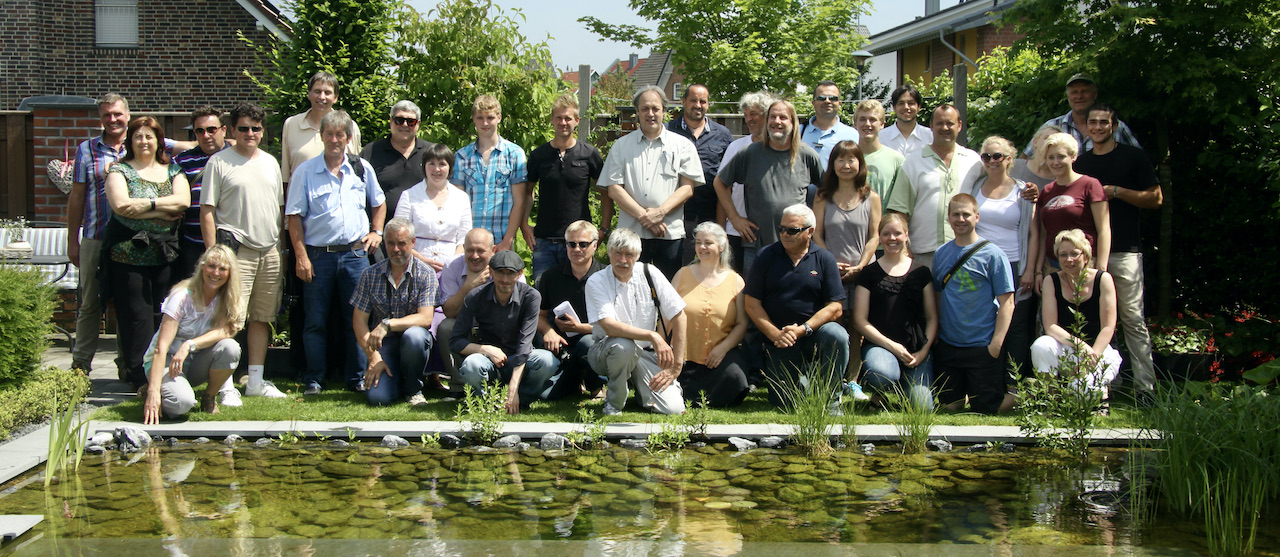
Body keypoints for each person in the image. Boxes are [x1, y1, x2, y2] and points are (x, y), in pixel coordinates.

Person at [68, 93, 189, 374]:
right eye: (107, 114)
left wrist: (226, 139)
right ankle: (80, 364)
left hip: (150, 244)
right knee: (91, 302)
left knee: (131, 305)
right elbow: (77, 197)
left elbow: (190, 146)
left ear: (127, 115)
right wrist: (72, 239)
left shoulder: (144, 137)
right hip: (98, 235)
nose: (113, 119)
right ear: (100, 118)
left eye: (118, 114)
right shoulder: (87, 150)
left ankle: (128, 365)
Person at [286, 109, 386, 395]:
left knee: (356, 319)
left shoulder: (361, 168)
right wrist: (301, 256)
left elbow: (378, 203)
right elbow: (294, 217)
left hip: (355, 256)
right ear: (321, 137)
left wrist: (376, 232)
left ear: (348, 138)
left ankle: (355, 378)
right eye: (328, 134)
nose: (334, 140)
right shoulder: (305, 172)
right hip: (319, 256)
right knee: (315, 321)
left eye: (339, 135)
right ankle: (314, 380)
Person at [1073, 103, 1162, 403]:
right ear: (1086, 127)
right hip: (1087, 254)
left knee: (1133, 319)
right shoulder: (1081, 164)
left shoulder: (1132, 157)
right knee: (1090, 320)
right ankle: (1097, 387)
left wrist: (1117, 192)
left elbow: (1156, 198)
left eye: (1103, 123)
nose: (1097, 127)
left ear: (1113, 126)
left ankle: (1145, 389)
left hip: (1125, 251)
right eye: (1092, 123)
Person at [200, 102, 289, 403]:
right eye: (243, 128)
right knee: (230, 319)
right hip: (235, 252)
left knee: (261, 319)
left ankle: (254, 381)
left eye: (256, 128)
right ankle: (224, 386)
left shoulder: (270, 162)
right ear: (232, 130)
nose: (250, 133)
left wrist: (281, 249)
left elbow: (279, 210)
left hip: (269, 251)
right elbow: (208, 211)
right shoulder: (219, 162)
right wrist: (213, 255)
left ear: (262, 132)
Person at [102, 116, 190, 390]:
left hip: (165, 255)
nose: (144, 141)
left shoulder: (173, 171)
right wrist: (165, 208)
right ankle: (138, 377)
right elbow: (121, 206)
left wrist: (145, 203)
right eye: (138, 136)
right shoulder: (119, 171)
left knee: (163, 314)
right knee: (136, 318)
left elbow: (183, 203)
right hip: (127, 255)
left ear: (158, 141)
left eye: (149, 136)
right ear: (130, 141)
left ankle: (162, 372)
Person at [745, 204, 848, 410]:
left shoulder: (824, 259)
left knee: (838, 335)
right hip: (781, 340)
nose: (784, 234)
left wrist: (804, 329)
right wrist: (775, 335)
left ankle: (831, 399)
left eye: (792, 230)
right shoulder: (765, 256)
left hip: (814, 333)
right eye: (781, 229)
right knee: (785, 403)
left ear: (810, 231)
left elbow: (835, 307)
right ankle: (806, 381)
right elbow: (751, 303)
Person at [599, 86, 704, 279]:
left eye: (655, 108)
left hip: (669, 233)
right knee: (629, 288)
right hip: (630, 235)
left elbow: (687, 188)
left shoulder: (682, 145)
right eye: (645, 108)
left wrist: (660, 213)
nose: (650, 113)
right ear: (637, 112)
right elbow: (614, 189)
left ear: (665, 111)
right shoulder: (621, 146)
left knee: (669, 290)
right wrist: (645, 217)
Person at [585, 228, 688, 415]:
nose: (623, 260)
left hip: (645, 354)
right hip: (606, 351)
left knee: (673, 409)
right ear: (609, 252)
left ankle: (643, 391)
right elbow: (609, 326)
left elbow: (679, 315)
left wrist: (676, 367)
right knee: (624, 346)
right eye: (618, 253)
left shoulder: (650, 273)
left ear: (638, 255)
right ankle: (614, 404)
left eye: (629, 255)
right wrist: (653, 335)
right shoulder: (596, 281)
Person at [715, 99, 824, 273]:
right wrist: (735, 218)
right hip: (756, 244)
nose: (777, 122)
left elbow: (825, 190)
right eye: (772, 117)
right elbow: (719, 183)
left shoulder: (807, 155)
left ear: (793, 123)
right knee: (754, 297)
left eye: (783, 117)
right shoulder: (750, 153)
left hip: (796, 247)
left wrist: (814, 223)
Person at [141, 245, 243, 424]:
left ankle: (209, 398)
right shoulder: (182, 296)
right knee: (181, 406)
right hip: (165, 361)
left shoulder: (227, 299)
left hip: (194, 360)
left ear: (230, 273)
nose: (216, 273)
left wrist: (189, 345)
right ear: (202, 267)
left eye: (222, 269)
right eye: (211, 266)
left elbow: (226, 331)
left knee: (231, 348)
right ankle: (153, 390)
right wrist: (153, 392)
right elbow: (160, 348)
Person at [932, 194, 1015, 415]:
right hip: (950, 344)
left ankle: (1016, 394)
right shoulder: (941, 254)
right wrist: (938, 332)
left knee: (988, 408)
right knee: (950, 407)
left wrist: (996, 344)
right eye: (955, 214)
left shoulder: (994, 254)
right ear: (949, 218)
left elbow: (1008, 302)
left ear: (977, 217)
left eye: (966, 214)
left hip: (983, 344)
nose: (961, 219)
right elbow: (938, 295)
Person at [451, 251, 563, 414]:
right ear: (491, 272)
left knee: (547, 361)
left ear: (519, 274)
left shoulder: (531, 296)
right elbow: (455, 341)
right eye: (499, 273)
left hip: (520, 357)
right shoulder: (475, 296)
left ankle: (521, 400)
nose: (504, 279)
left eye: (510, 273)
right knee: (471, 364)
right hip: (488, 360)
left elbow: (525, 345)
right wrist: (485, 349)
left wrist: (513, 388)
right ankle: (485, 402)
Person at [967, 136, 1039, 381]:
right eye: (986, 156)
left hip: (1014, 264)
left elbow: (1033, 233)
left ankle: (1013, 383)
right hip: (982, 266)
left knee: (1016, 326)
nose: (991, 161)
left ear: (1009, 159)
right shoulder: (975, 187)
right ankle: (987, 379)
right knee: (985, 322)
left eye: (997, 156)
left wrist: (1029, 269)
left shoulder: (1023, 191)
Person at [853, 212, 937, 410]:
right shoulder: (869, 273)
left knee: (923, 408)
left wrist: (923, 352)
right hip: (881, 347)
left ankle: (904, 390)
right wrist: (892, 346)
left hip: (915, 349)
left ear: (907, 236)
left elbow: (932, 318)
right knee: (882, 374)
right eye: (886, 234)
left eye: (897, 233)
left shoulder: (921, 272)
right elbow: (859, 320)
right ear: (880, 237)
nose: (892, 238)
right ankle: (880, 392)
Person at [813, 140, 880, 389]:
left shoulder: (871, 197)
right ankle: (832, 378)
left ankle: (853, 380)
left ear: (860, 164)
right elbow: (816, 234)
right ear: (833, 164)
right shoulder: (822, 197)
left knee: (857, 328)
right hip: (831, 272)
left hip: (863, 273)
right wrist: (831, 263)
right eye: (840, 160)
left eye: (851, 159)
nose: (846, 165)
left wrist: (861, 266)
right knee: (834, 326)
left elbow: (875, 236)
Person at [351, 218, 439, 407]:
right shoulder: (369, 275)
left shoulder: (426, 274)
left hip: (414, 342)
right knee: (378, 399)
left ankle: (412, 389)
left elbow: (425, 318)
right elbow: (359, 321)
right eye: (391, 243)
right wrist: (374, 358)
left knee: (415, 336)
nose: (396, 249)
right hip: (383, 345)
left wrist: (388, 324)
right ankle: (394, 379)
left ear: (413, 243)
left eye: (401, 243)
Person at [886, 104, 983, 269]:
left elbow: (995, 187)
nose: (944, 128)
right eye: (939, 123)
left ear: (959, 125)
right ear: (931, 126)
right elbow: (899, 210)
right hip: (924, 253)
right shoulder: (913, 162)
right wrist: (905, 247)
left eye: (950, 123)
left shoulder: (974, 161)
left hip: (965, 250)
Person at [1031, 229, 1121, 403]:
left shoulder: (1103, 279)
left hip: (1098, 348)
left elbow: (1109, 326)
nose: (1069, 260)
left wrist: (1093, 353)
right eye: (1063, 255)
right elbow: (1050, 326)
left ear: (1085, 256)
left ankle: (1101, 397)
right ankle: (1052, 398)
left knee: (1084, 393)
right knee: (1040, 346)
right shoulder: (1052, 281)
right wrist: (1080, 346)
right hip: (1068, 347)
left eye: (1074, 254)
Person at [527, 94, 606, 282]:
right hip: (544, 241)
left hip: (579, 243)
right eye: (559, 118)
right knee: (543, 298)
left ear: (576, 121)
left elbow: (606, 192)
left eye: (568, 118)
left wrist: (604, 228)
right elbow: (527, 191)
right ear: (552, 120)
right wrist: (525, 224)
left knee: (582, 294)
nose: (563, 122)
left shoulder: (589, 154)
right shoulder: (539, 155)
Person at [671, 222, 750, 407]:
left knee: (735, 378)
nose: (702, 247)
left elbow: (742, 323)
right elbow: (666, 316)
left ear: (721, 246)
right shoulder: (681, 275)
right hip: (685, 355)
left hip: (719, 354)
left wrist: (723, 349)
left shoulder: (735, 281)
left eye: (708, 243)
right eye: (698, 243)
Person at [436, 228, 527, 388]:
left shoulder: (509, 269)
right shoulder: (452, 266)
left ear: (493, 251)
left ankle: (511, 382)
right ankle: (459, 386)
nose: (475, 256)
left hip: (502, 328)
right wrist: (469, 286)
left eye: (480, 251)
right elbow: (449, 311)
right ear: (463, 249)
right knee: (446, 327)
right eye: (470, 250)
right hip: (468, 328)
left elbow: (520, 311)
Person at [536, 220, 607, 396]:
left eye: (583, 244)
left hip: (595, 342)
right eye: (571, 244)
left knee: (587, 343)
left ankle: (596, 386)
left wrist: (580, 328)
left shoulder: (606, 276)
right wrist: (548, 331)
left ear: (595, 246)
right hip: (562, 346)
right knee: (549, 397)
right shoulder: (551, 276)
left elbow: (617, 324)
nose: (577, 249)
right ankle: (574, 380)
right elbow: (539, 316)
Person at [452, 94, 529, 253]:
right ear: (473, 119)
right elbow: (456, 204)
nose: (485, 123)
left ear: (499, 118)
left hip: (501, 240)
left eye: (490, 117)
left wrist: (508, 240)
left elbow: (519, 201)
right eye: (480, 118)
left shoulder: (514, 154)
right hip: (470, 243)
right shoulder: (461, 157)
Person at [668, 84, 733, 265]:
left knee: (711, 263)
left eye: (702, 101)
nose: (698, 105)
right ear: (683, 102)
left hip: (711, 210)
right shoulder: (668, 132)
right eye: (693, 100)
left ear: (708, 104)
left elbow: (729, 176)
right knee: (680, 263)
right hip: (678, 212)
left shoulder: (722, 135)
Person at [1034, 133, 1110, 275]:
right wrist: (1038, 270)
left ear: (1073, 156)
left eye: (1061, 156)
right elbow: (1044, 234)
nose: (1056, 162)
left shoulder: (1090, 185)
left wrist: (1101, 267)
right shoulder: (1047, 190)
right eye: (1051, 157)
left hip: (1084, 263)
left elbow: (1104, 229)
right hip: (1052, 265)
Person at [717, 91, 775, 272]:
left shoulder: (781, 148)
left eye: (754, 114)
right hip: (736, 231)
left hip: (770, 233)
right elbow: (722, 187)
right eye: (746, 115)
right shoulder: (736, 147)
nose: (749, 119)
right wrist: (725, 228)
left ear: (767, 115)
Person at [393, 143, 472, 271]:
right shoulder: (409, 195)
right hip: (414, 266)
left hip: (451, 269)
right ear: (424, 166)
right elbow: (399, 236)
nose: (436, 169)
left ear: (450, 168)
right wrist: (422, 261)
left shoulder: (461, 198)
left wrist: (451, 264)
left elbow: (464, 238)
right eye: (431, 163)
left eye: (442, 164)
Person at [172, 106, 230, 279]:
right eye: (200, 131)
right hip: (193, 244)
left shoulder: (238, 157)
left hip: (232, 245)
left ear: (223, 130)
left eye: (212, 129)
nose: (206, 135)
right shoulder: (182, 161)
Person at [1022, 74, 1139, 157]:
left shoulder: (1116, 127)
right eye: (1074, 92)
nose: (1079, 96)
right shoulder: (1052, 127)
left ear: (1095, 94)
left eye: (1085, 91)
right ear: (1068, 96)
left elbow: (1138, 160)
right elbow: (1026, 158)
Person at [360, 100, 434, 226]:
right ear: (390, 121)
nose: (404, 125)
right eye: (399, 120)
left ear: (418, 124)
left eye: (410, 122)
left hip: (423, 234)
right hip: (380, 234)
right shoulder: (371, 152)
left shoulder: (432, 153)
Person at [281, 71, 361, 183]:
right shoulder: (292, 124)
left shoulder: (350, 126)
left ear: (335, 97)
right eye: (317, 91)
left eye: (327, 93)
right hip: (301, 198)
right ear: (309, 94)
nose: (321, 97)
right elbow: (285, 175)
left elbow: (356, 169)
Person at [854, 100, 906, 211]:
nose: (867, 124)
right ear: (855, 124)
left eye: (872, 120)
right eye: (862, 119)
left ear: (882, 124)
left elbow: (901, 202)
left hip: (884, 226)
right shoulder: (846, 159)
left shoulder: (896, 159)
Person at [801, 81, 860, 170]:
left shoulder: (852, 135)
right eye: (821, 98)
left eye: (833, 98)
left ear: (839, 103)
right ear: (813, 102)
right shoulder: (797, 132)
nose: (827, 101)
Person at [880, 84, 933, 159]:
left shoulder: (931, 137)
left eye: (911, 103)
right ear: (894, 108)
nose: (906, 107)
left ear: (919, 107)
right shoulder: (881, 138)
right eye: (901, 103)